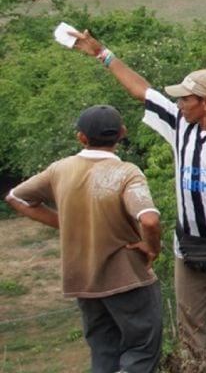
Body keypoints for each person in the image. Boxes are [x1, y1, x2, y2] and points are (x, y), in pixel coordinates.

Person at [69, 31, 206, 355]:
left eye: (185, 99)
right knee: (190, 334)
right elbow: (143, 91)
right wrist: (102, 54)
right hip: (188, 251)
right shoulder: (182, 127)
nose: (179, 104)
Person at [5, 105, 163, 373]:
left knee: (103, 351)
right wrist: (151, 246)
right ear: (122, 134)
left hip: (83, 279)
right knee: (142, 350)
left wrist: (62, 223)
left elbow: (16, 197)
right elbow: (149, 219)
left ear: (81, 137)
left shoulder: (60, 169)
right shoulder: (126, 172)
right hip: (126, 277)